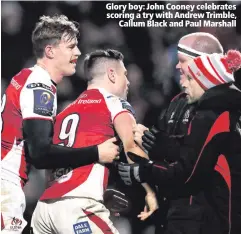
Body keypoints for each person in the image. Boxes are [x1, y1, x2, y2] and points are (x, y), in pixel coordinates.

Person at [1, 15, 119, 233]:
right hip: (5, 185)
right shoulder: (40, 85)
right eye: (72, 46)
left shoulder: (26, 77)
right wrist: (97, 152)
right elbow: (40, 153)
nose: (78, 53)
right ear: (50, 51)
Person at [30, 49, 158, 234]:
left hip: (45, 211)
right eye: (125, 74)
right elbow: (132, 148)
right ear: (112, 74)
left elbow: (54, 167)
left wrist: (99, 196)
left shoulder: (64, 113)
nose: (128, 82)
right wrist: (150, 191)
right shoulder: (114, 103)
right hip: (77, 209)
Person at [117, 49, 241, 234]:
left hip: (213, 219)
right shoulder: (219, 112)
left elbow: (189, 172)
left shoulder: (212, 116)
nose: (183, 83)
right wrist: (159, 144)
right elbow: (194, 155)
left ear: (206, 82)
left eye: (190, 79)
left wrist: (143, 171)